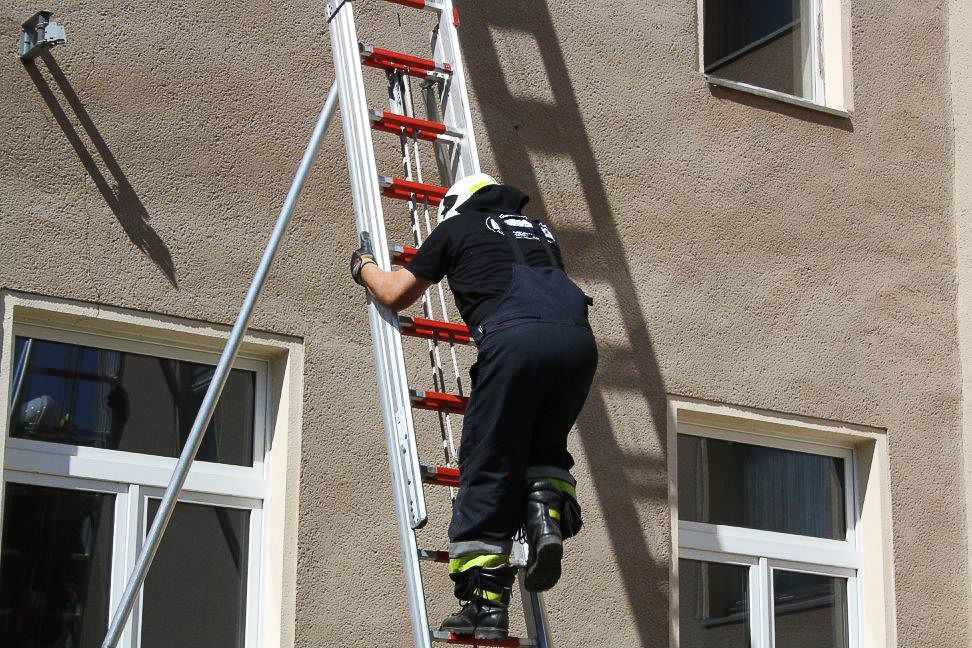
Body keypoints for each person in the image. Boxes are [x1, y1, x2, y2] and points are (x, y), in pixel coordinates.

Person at [350, 173, 597, 641]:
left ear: (456, 204)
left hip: (514, 343)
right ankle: (545, 518)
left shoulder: (455, 229)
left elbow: (395, 292)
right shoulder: (538, 232)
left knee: (490, 463)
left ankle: (485, 605)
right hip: (577, 347)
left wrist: (363, 266)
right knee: (544, 445)